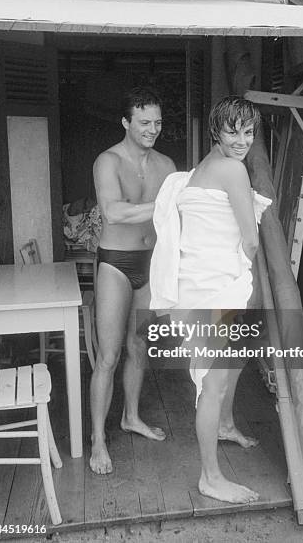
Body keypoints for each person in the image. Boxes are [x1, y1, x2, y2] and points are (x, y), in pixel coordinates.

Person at [149, 96, 271, 504]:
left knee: (226, 367)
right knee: (213, 382)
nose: (242, 140)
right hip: (216, 286)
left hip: (197, 286)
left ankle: (226, 426)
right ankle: (211, 477)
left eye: (249, 131)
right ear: (217, 130)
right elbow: (250, 239)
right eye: (233, 130)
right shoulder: (233, 169)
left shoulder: (199, 170)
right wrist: (242, 270)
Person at [90, 87, 176, 475]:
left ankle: (131, 417)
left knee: (139, 346)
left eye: (157, 122)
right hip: (116, 263)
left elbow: (178, 218)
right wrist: (163, 206)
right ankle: (97, 440)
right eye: (144, 122)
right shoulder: (107, 161)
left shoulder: (167, 165)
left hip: (151, 261)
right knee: (108, 356)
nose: (152, 129)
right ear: (126, 122)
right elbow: (113, 213)